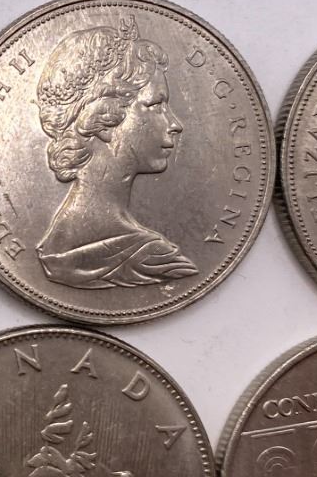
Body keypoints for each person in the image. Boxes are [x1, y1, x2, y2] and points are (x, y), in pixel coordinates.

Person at [33, 17, 197, 289]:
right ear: (104, 118)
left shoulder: (57, 245)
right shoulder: (155, 260)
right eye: (156, 105)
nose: (175, 124)